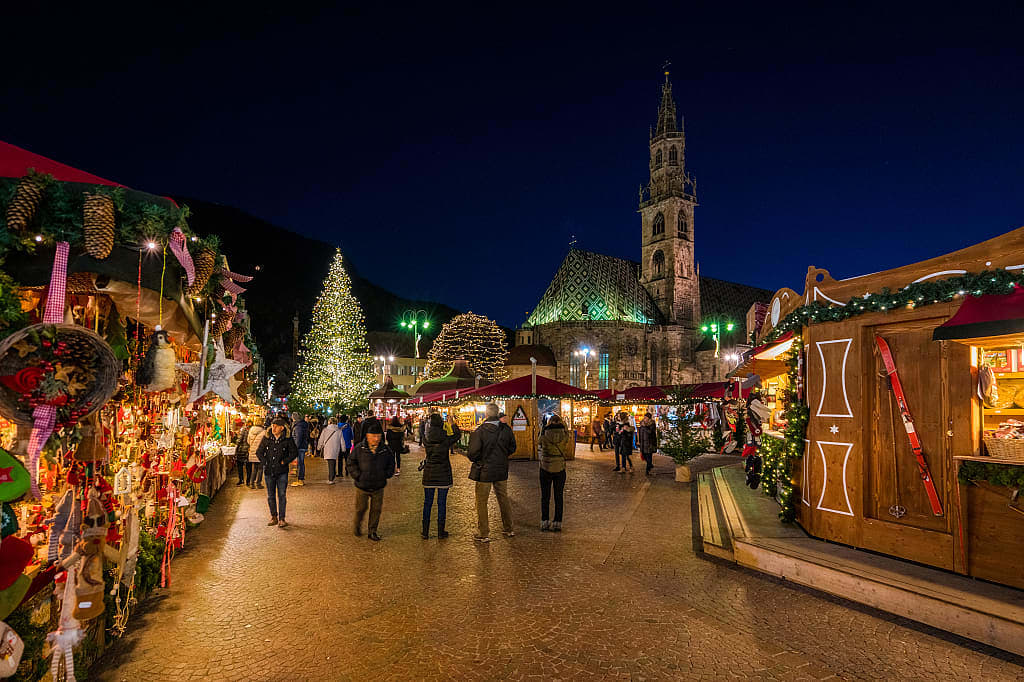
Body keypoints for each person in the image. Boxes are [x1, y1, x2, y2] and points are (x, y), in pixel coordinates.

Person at [466, 403, 517, 543]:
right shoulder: (506, 429)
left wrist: (479, 459)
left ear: (486, 414)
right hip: (501, 469)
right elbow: (513, 447)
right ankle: (509, 528)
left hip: (485, 471)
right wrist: (502, 456)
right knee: (503, 498)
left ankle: (484, 533)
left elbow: (472, 453)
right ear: (497, 413)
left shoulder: (480, 431)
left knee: (482, 501)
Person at [347, 421, 396, 541]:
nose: (376, 439)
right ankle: (357, 526)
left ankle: (372, 531)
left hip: (378, 486)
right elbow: (351, 462)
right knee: (360, 508)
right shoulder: (360, 448)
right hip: (362, 485)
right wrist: (358, 475)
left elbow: (391, 463)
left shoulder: (385, 449)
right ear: (368, 436)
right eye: (374, 436)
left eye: (378, 436)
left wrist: (386, 474)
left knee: (376, 510)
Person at [421, 413, 461, 539]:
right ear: (441, 423)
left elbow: (423, 431)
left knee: (427, 503)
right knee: (441, 504)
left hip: (429, 474)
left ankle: (425, 532)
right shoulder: (445, 438)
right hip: (443, 474)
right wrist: (452, 423)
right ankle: (440, 532)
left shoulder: (426, 439)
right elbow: (457, 435)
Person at [255, 417, 298, 527]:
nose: (273, 428)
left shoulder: (287, 439)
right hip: (269, 471)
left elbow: (294, 452)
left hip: (282, 471)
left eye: (276, 426)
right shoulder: (267, 438)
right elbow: (259, 452)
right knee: (271, 495)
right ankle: (274, 516)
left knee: (282, 495)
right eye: (272, 426)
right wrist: (265, 462)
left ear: (282, 428)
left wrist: (285, 461)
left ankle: (282, 519)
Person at [538, 414, 571, 532]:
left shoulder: (544, 435)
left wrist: (543, 427)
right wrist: (564, 424)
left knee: (545, 497)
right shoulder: (564, 435)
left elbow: (539, 441)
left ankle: (545, 521)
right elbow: (568, 434)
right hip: (560, 468)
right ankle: (557, 522)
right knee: (559, 496)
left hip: (545, 467)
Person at [317, 416, 345, 484]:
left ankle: (331, 479)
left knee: (330, 463)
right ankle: (333, 475)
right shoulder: (339, 430)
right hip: (335, 448)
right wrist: (343, 448)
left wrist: (319, 447)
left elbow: (321, 439)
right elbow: (342, 441)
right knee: (333, 461)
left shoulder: (325, 430)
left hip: (327, 448)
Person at [290, 412, 310, 487]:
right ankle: (300, 478)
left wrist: (295, 447)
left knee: (300, 463)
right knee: (300, 463)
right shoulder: (302, 425)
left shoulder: (298, 426)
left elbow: (298, 438)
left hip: (299, 447)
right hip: (302, 446)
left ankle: (300, 479)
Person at [246, 419, 266, 488]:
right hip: (260, 452)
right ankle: (258, 483)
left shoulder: (251, 430)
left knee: (254, 468)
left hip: (252, 451)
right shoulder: (264, 432)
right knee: (260, 468)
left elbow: (248, 441)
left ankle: (251, 483)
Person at [234, 419, 251, 486]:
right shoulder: (251, 430)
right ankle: (248, 481)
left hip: (242, 450)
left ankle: (241, 480)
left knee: (240, 466)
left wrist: (236, 442)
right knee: (248, 466)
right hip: (248, 450)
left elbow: (239, 440)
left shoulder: (243, 430)